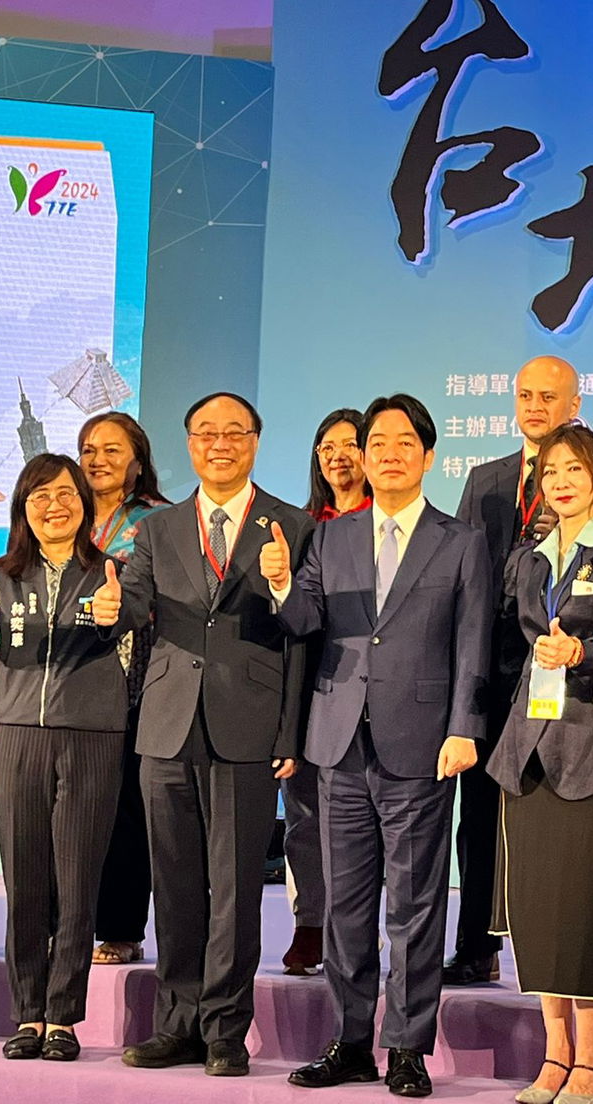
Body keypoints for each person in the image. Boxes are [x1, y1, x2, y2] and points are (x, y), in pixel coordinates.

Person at [263, 393, 492, 1099]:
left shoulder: (461, 542)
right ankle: (351, 1040)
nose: (388, 454)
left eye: (403, 443)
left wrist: (464, 728)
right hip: (339, 743)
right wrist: (277, 581)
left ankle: (407, 1046)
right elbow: (304, 620)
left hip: (423, 744)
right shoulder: (330, 538)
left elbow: (473, 644)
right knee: (347, 906)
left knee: (416, 904)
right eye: (376, 444)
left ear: (427, 456)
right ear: (360, 458)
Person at [93, 392, 312, 1078]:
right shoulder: (157, 529)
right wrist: (108, 610)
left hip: (248, 726)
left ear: (256, 439)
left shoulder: (293, 525)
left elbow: (306, 632)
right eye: (205, 433)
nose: (220, 443)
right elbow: (133, 605)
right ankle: (177, 1024)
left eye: (234, 433)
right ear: (188, 444)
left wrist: (280, 590)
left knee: (238, 886)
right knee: (177, 883)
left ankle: (225, 1030)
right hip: (165, 723)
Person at [451, 355, 593, 986]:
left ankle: (568, 992)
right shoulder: (484, 479)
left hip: (582, 691)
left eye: (548, 396)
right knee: (480, 819)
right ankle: (475, 942)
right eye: (524, 395)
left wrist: (578, 652)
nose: (534, 406)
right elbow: (467, 582)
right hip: (502, 681)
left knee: (569, 853)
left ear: (574, 405)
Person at [490, 424, 593, 1104]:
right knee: (536, 906)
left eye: (575, 470)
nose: (561, 481)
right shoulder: (529, 558)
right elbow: (511, 643)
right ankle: (555, 1055)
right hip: (529, 744)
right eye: (550, 471)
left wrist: (581, 655)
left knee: (583, 904)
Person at [0, 454, 130, 1062]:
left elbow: (131, 654)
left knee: (77, 882)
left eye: (66, 493)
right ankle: (27, 1012)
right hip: (18, 733)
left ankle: (64, 1018)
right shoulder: (3, 572)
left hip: (91, 736)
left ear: (85, 501)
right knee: (25, 878)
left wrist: (106, 696)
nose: (55, 505)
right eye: (40, 495)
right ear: (23, 506)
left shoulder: (111, 572)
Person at [277, 407, 373, 979]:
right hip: (310, 689)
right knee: (305, 820)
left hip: (373, 690)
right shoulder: (297, 526)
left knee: (367, 824)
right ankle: (309, 922)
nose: (338, 455)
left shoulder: (390, 523)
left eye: (349, 444)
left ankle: (358, 932)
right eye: (326, 447)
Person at [78, 411, 169, 968]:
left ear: (138, 460)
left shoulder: (158, 520)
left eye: (112, 450)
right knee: (71, 809)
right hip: (65, 677)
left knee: (127, 809)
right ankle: (66, 925)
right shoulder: (61, 510)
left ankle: (120, 926)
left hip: (134, 680)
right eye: (89, 449)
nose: (97, 460)